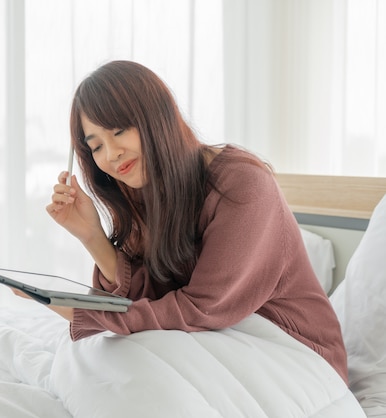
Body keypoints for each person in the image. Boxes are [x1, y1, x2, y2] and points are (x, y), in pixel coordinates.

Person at [42, 60, 348, 383]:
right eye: (97, 146)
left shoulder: (243, 184)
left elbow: (200, 310)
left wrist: (92, 315)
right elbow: (152, 299)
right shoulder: (144, 193)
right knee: (103, 367)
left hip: (300, 357)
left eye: (119, 131)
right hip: (222, 343)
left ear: (157, 118)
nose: (112, 154)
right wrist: (92, 237)